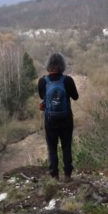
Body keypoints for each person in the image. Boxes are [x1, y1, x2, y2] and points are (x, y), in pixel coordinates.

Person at [38, 53, 79, 182]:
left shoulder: (43, 81)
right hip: (66, 119)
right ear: (62, 65)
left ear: (48, 65)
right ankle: (67, 175)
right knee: (66, 146)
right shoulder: (67, 80)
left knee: (52, 148)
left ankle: (54, 176)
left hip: (50, 120)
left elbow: (42, 97)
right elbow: (75, 97)